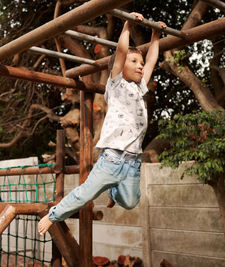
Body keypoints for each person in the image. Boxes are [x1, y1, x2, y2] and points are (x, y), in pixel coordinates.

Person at [38, 13, 166, 235]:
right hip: (112, 160)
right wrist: (127, 25)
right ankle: (53, 215)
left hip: (133, 162)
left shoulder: (139, 87)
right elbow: (120, 53)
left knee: (130, 201)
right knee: (85, 194)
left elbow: (152, 60)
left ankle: (114, 193)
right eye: (134, 61)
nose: (140, 66)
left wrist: (156, 36)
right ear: (120, 66)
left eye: (141, 63)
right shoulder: (116, 85)